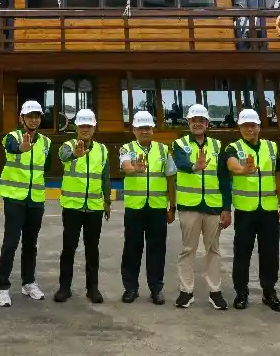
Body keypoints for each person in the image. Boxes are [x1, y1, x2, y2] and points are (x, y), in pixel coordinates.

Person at [222, 108, 280, 312]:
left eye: (253, 125)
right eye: (245, 125)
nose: (249, 129)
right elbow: (231, 166)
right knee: (242, 253)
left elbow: (278, 177)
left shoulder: (271, 147)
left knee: (270, 253)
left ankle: (269, 292)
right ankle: (241, 293)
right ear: (239, 128)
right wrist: (243, 169)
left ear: (259, 126)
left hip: (269, 210)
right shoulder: (233, 147)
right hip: (245, 211)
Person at [170, 103, 231, 310]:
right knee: (188, 250)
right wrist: (195, 166)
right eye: (193, 120)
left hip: (213, 207)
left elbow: (223, 178)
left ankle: (215, 291)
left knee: (213, 250)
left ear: (207, 124)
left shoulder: (217, 145)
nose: (197, 123)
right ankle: (186, 291)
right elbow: (180, 163)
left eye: (201, 120)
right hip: (189, 206)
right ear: (188, 122)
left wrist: (226, 208)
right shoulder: (179, 144)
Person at [0, 100, 53, 307]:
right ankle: (2, 287)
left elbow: (45, 167)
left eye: (37, 116)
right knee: (10, 243)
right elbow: (12, 148)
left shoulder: (46, 142)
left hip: (35, 199)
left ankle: (28, 283)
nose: (34, 120)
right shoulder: (12, 137)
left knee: (31, 244)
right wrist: (21, 147)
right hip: (14, 198)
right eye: (30, 116)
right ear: (22, 118)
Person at [119, 110, 176, 305]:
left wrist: (173, 207)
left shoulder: (163, 150)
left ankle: (156, 289)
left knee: (157, 250)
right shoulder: (126, 148)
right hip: (135, 208)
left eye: (148, 128)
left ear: (153, 130)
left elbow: (170, 178)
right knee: (132, 248)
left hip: (157, 208)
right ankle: (131, 288)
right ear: (133, 129)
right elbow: (125, 166)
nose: (145, 131)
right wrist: (135, 169)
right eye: (141, 128)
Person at [55, 108, 110, 303]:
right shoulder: (67, 146)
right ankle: (64, 287)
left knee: (92, 249)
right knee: (68, 248)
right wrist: (75, 155)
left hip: (94, 207)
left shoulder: (102, 150)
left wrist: (107, 201)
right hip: (72, 207)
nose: (85, 129)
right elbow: (63, 156)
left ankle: (92, 288)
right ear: (76, 127)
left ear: (94, 128)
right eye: (82, 125)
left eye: (89, 125)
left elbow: (105, 177)